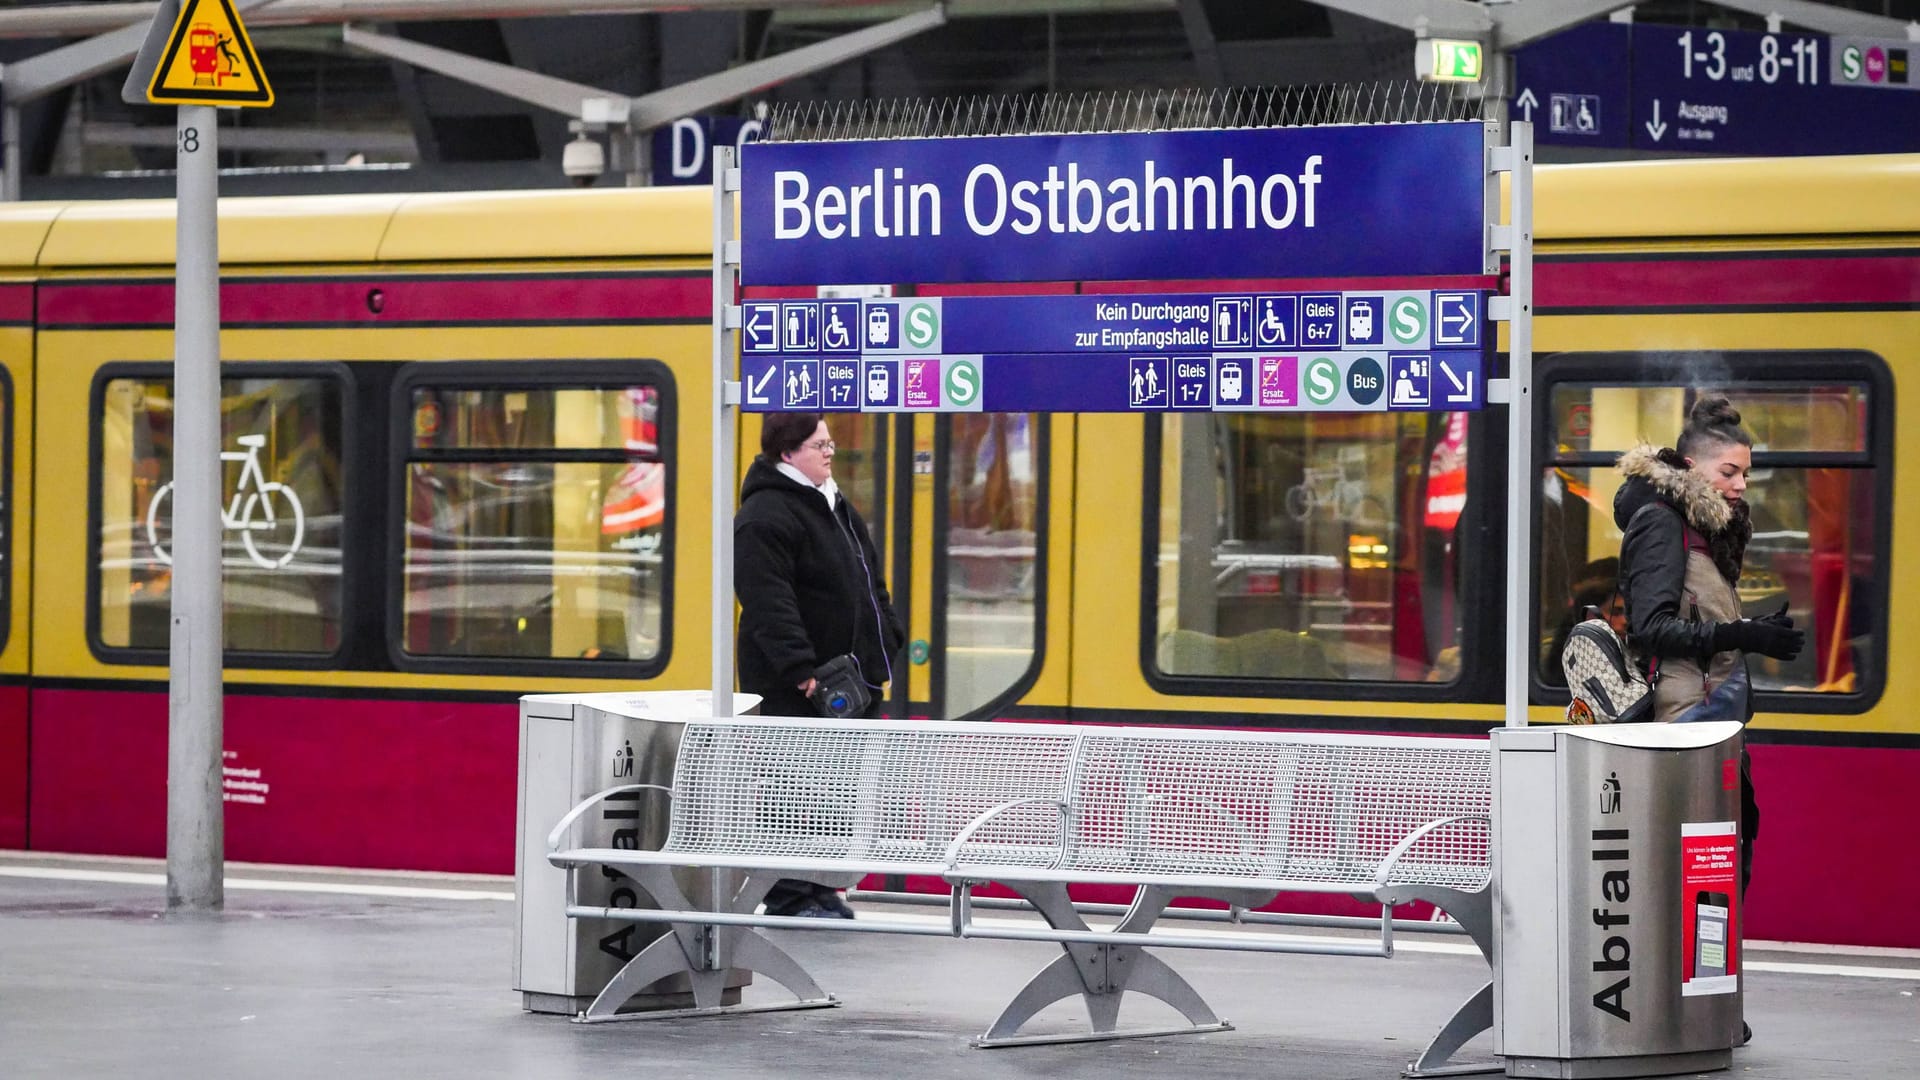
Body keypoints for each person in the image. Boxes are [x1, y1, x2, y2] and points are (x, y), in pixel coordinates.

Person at [1613, 396, 1803, 1047]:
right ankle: (1677, 1007)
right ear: (1691, 465)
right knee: (1691, 872)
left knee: (1721, 866)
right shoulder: (1661, 524)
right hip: (1679, 729)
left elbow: (1701, 621)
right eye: (1730, 472)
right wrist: (1743, 631)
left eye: (1747, 474)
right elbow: (1652, 628)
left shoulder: (1705, 529)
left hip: (1713, 729)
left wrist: (1751, 633)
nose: (1741, 486)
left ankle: (1706, 1004)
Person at [735, 412, 904, 919]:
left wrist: (887, 639)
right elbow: (768, 601)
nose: (830, 452)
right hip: (802, 686)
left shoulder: (833, 504)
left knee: (832, 791)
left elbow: (871, 581)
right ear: (787, 453)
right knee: (793, 791)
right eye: (818, 445)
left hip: (850, 678)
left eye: (829, 444)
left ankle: (820, 887)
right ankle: (790, 896)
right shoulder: (766, 515)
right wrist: (802, 669)